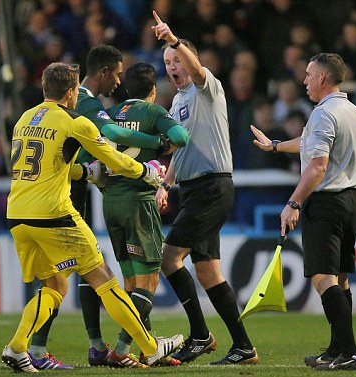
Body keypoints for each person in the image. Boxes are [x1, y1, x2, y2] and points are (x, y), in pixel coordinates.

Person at [1, 62, 183, 372]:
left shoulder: (24, 119)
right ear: (71, 93)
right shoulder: (75, 121)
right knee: (104, 280)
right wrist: (148, 173)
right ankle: (151, 349)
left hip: (18, 215)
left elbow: (52, 167)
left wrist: (84, 171)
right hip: (54, 215)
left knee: (55, 287)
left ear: (45, 89)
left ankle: (17, 348)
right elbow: (115, 159)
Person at [151, 11, 259, 365]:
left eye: (176, 59)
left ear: (188, 59)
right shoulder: (178, 103)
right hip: (196, 190)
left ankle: (200, 334)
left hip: (213, 187)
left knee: (169, 257)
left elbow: (197, 71)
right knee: (208, 271)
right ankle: (243, 346)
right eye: (167, 61)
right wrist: (165, 183)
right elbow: (180, 153)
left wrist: (173, 40)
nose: (172, 65)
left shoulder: (206, 86)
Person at [251, 52, 356, 370]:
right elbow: (309, 143)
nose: (304, 81)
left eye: (308, 74)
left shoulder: (322, 113)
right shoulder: (350, 110)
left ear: (323, 78)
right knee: (340, 278)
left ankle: (350, 352)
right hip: (352, 200)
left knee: (322, 278)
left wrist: (293, 203)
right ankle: (336, 349)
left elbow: (317, 165)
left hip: (326, 202)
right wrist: (275, 146)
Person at [103, 62, 189, 368]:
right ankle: (121, 350)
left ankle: (147, 347)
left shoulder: (111, 115)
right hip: (138, 202)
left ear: (126, 89)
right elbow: (181, 137)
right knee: (149, 280)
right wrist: (161, 143)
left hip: (110, 203)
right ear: (154, 90)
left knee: (131, 281)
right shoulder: (153, 112)